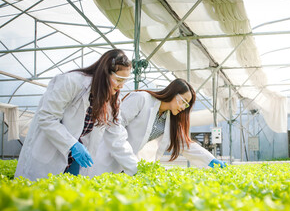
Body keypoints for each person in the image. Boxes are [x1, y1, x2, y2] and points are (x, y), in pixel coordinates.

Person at [15, 49, 139, 181]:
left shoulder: (111, 100)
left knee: (68, 196)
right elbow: (47, 117)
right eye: (119, 80)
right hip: (49, 153)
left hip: (75, 160)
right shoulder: (71, 82)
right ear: (104, 74)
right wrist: (72, 144)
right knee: (42, 194)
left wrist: (134, 169)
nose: (121, 86)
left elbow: (117, 136)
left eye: (124, 81)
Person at [87, 78, 226, 176]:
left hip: (131, 166)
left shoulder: (170, 119)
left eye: (187, 105)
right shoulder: (142, 99)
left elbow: (185, 144)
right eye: (183, 101)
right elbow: (115, 127)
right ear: (173, 93)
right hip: (110, 158)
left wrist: (210, 160)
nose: (183, 107)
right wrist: (128, 160)